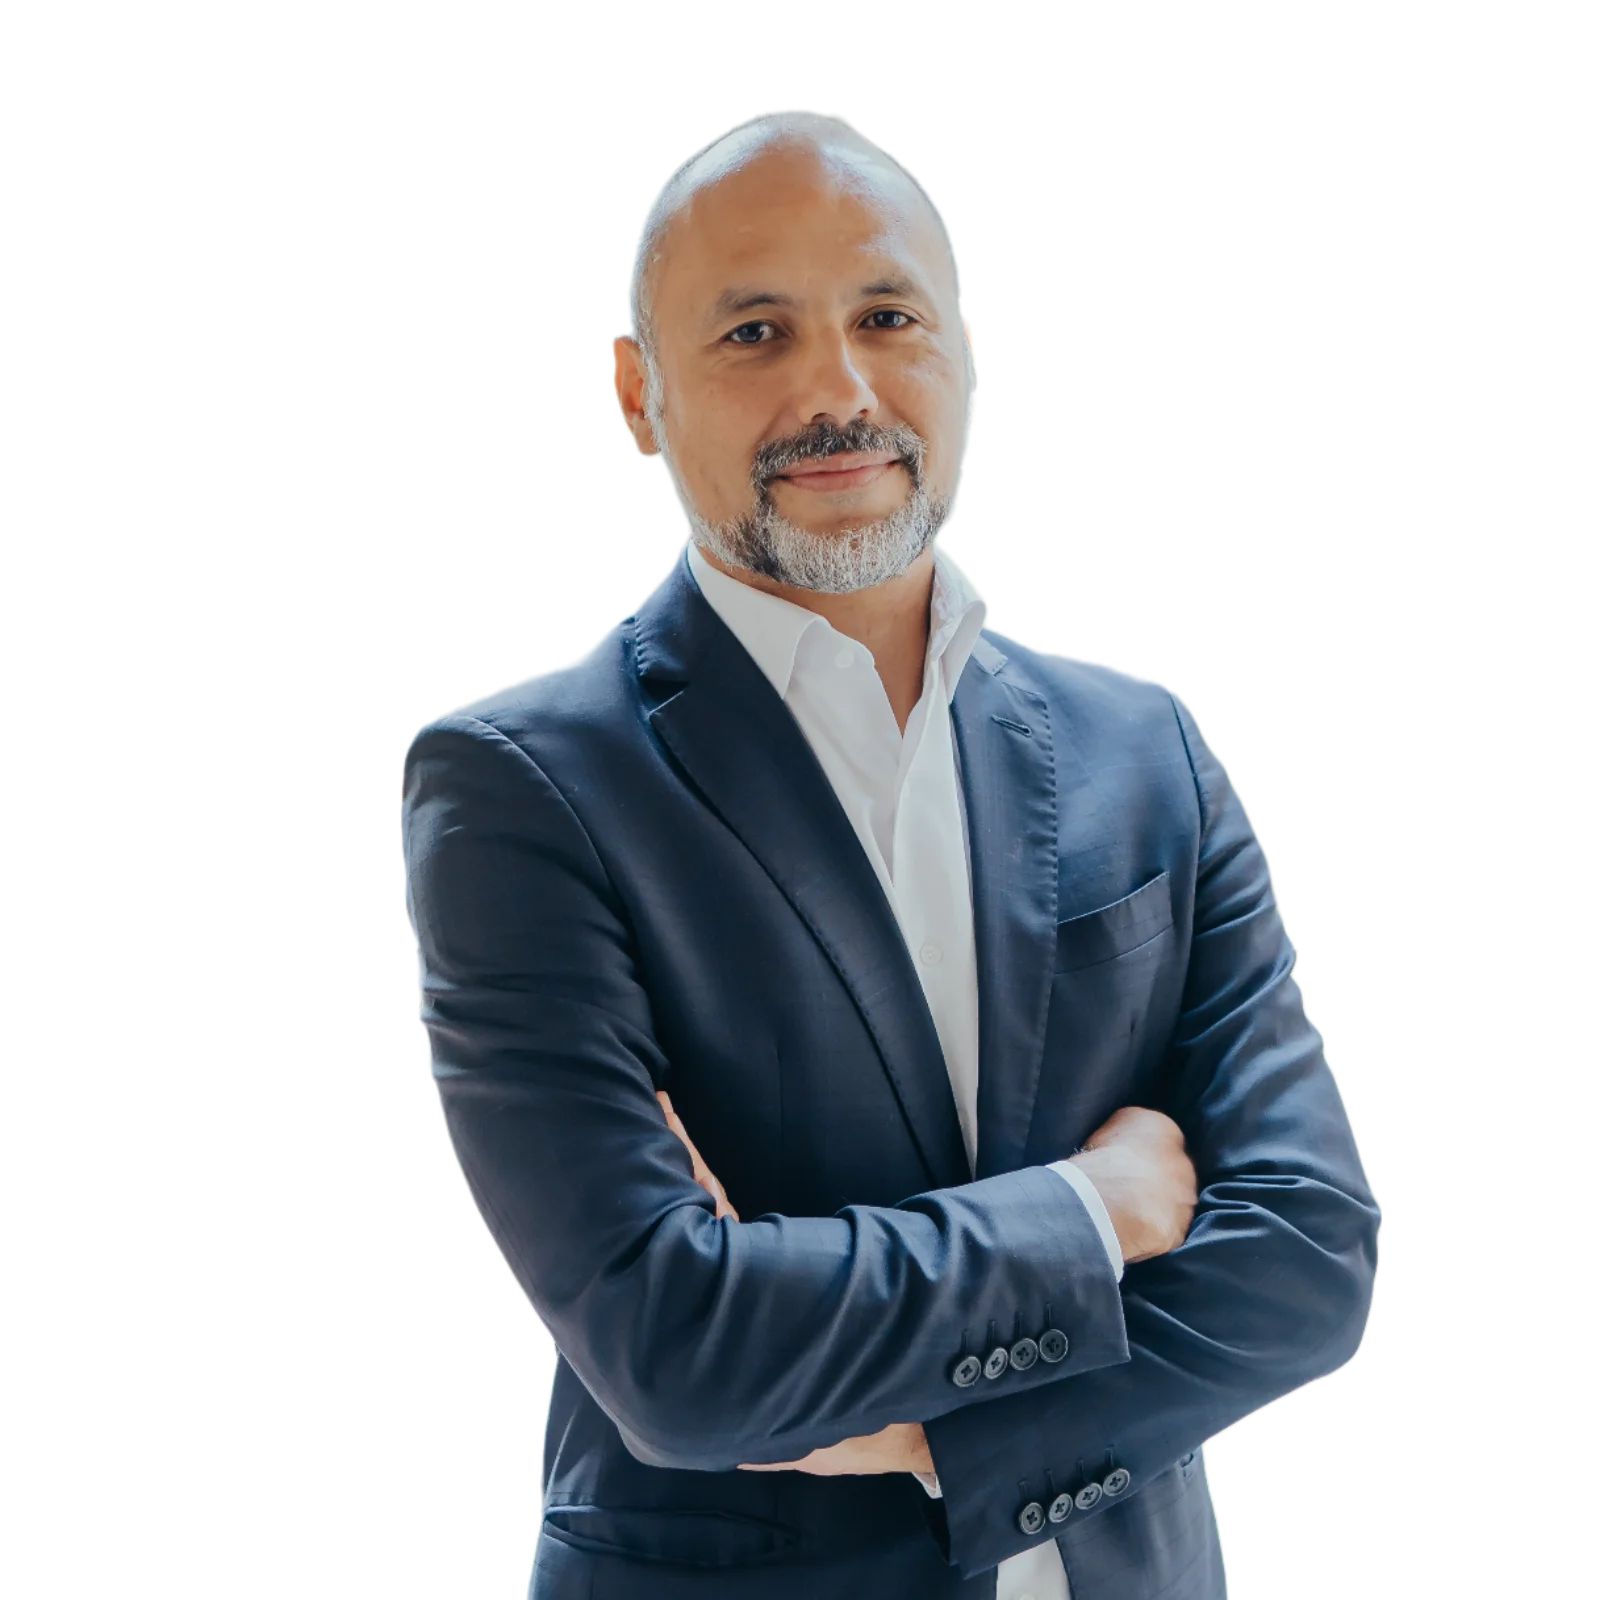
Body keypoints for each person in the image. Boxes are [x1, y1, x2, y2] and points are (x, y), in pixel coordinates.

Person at [400, 108, 1380, 1600]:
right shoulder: (522, 789)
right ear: (635, 394)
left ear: (966, 353)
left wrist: (937, 1433)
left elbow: (1309, 1261)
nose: (836, 389)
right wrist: (1096, 1212)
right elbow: (681, 1349)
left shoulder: (1146, 746)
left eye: (884, 316)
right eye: (753, 332)